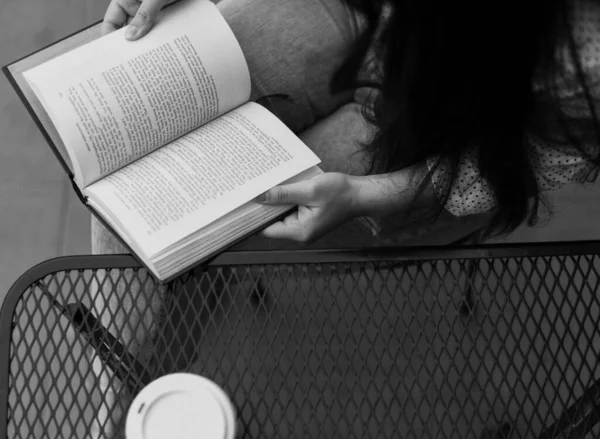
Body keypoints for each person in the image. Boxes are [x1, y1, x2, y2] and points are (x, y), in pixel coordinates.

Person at [88, 0, 600, 435]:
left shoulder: (586, 50)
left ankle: (140, 395)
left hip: (448, 130)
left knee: (196, 230)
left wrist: (370, 193)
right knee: (131, 181)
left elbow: (537, 160)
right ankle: (127, 385)